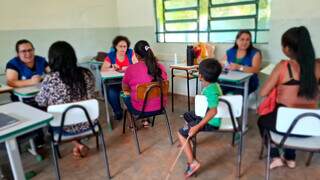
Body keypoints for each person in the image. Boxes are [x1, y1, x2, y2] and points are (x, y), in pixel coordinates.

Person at [257, 26, 320, 169]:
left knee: (262, 120)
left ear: (287, 48)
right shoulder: (317, 66)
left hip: (285, 126)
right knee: (293, 116)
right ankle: (290, 157)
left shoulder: (283, 66)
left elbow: (263, 93)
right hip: (311, 127)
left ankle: (275, 155)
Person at [35, 41, 96, 159]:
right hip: (88, 122)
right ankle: (77, 146)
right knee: (72, 114)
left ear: (52, 59)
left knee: (56, 117)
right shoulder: (86, 74)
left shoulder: (50, 79)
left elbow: (41, 101)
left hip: (63, 125)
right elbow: (91, 96)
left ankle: (77, 144)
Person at [177, 59, 222, 178]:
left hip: (212, 121)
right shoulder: (213, 85)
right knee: (187, 115)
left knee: (181, 133)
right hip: (205, 114)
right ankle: (189, 140)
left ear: (201, 76)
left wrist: (198, 126)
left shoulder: (211, 91)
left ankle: (193, 163)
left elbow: (213, 111)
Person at [122, 40, 167, 127]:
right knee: (144, 96)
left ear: (136, 55)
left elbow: (125, 88)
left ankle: (132, 125)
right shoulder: (161, 67)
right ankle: (146, 121)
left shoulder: (131, 69)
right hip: (160, 107)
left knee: (124, 95)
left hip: (140, 110)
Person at [101, 35, 137, 120]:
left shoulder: (130, 53)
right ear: (115, 46)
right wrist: (112, 69)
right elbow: (103, 69)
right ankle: (118, 111)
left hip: (129, 82)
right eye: (120, 46)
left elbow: (136, 65)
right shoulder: (111, 55)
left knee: (136, 90)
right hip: (115, 82)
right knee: (112, 93)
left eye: (125, 46)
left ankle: (135, 110)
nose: (122, 49)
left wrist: (129, 68)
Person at [221, 30, 262, 94]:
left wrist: (239, 67)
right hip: (231, 79)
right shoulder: (231, 51)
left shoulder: (255, 53)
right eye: (242, 39)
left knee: (237, 94)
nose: (245, 42)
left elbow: (256, 70)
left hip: (249, 82)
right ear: (237, 40)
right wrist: (223, 65)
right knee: (217, 88)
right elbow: (222, 63)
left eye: (247, 40)